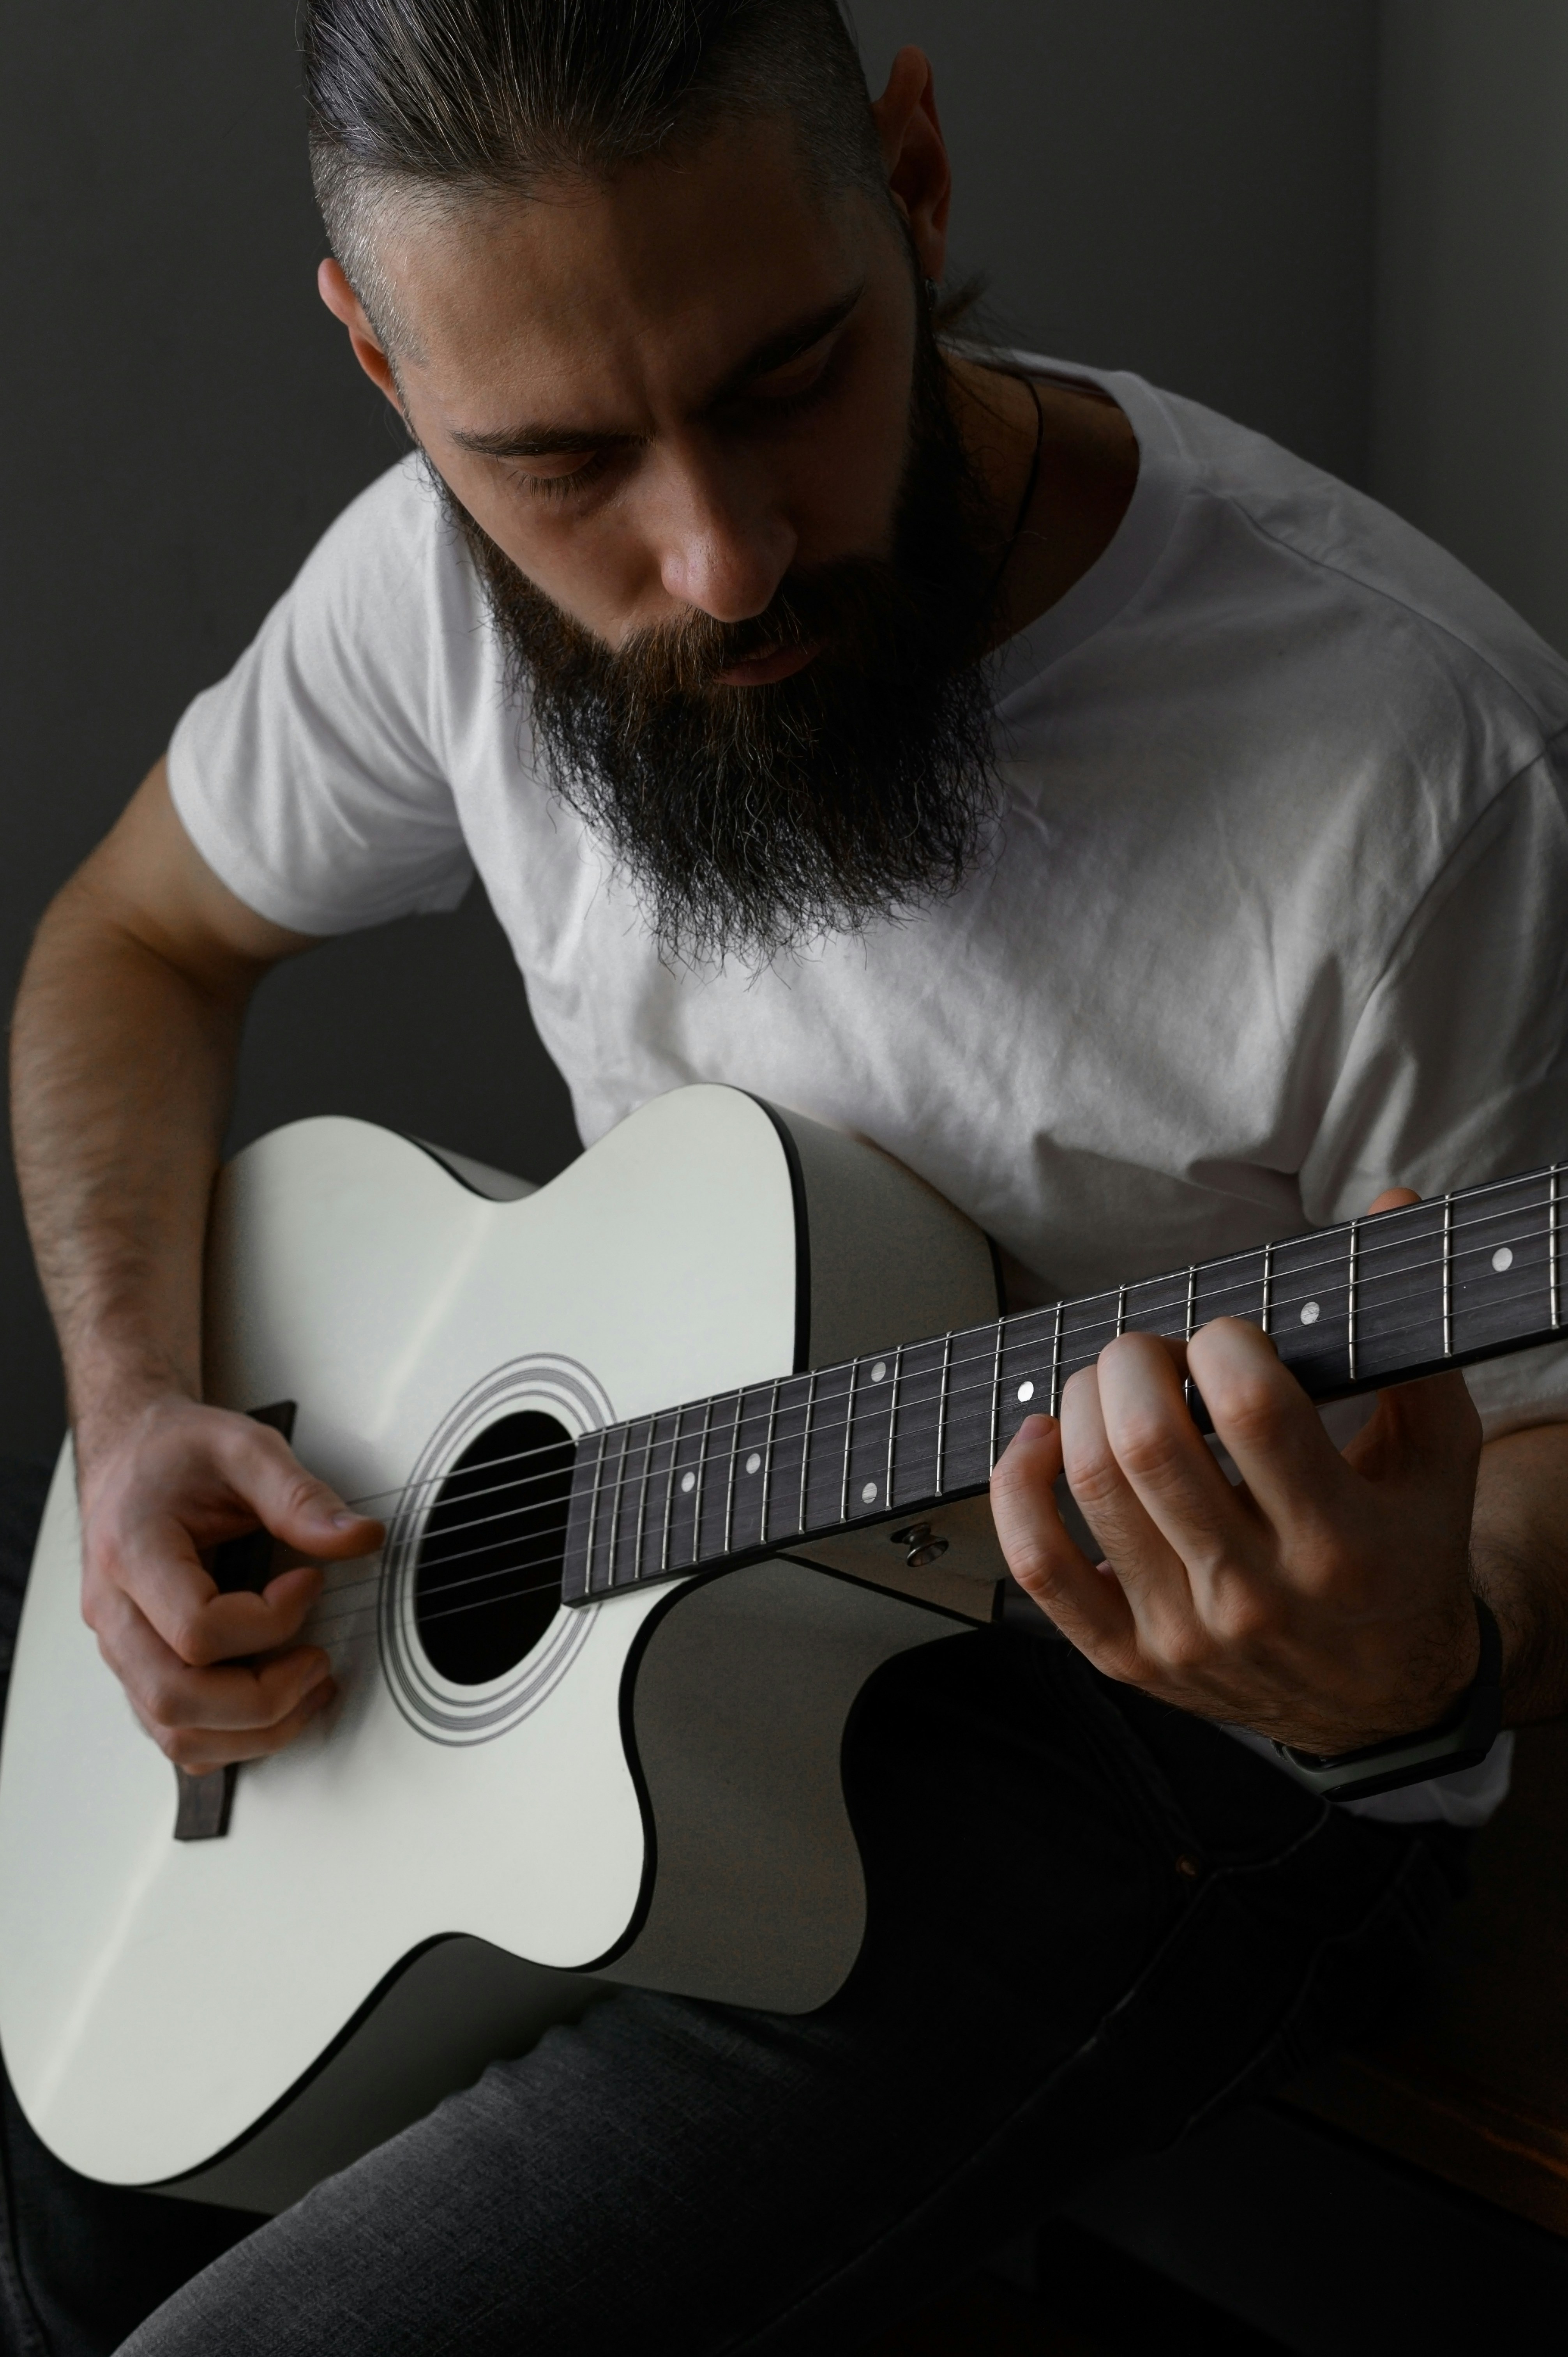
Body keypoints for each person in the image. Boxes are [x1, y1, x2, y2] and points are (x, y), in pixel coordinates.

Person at [7, 2, 1568, 2348]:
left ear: (912, 176)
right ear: (377, 361)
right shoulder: (425, 595)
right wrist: (133, 1408)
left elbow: (1536, 1440)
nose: (718, 558)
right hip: (605, 1590)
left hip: (1169, 1755)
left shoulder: (1414, 762)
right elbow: (131, 941)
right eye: (555, 462)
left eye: (787, 381)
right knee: (87, 2183)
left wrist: (1409, 1647)